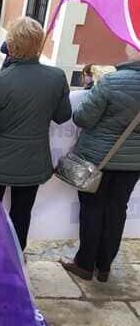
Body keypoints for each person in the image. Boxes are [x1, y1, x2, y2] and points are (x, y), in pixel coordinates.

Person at [0, 17, 72, 266]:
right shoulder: (56, 77)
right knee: (22, 212)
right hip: (33, 160)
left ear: (10, 46)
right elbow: (63, 115)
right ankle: (14, 258)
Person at [60, 45, 140, 283]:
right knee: (117, 210)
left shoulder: (110, 82)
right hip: (133, 163)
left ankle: (85, 264)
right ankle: (104, 266)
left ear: (133, 51)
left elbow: (83, 117)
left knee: (92, 209)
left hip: (98, 158)